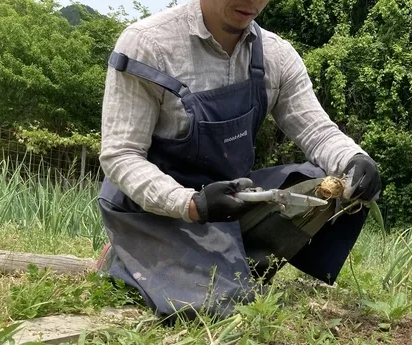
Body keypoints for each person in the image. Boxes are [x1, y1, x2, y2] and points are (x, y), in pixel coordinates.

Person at [96, 0, 381, 320]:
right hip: (154, 209)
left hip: (230, 200)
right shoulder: (148, 45)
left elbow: (316, 131)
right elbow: (121, 155)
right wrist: (191, 204)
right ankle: (128, 256)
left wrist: (353, 159)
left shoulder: (276, 55)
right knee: (220, 307)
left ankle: (216, 261)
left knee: (319, 185)